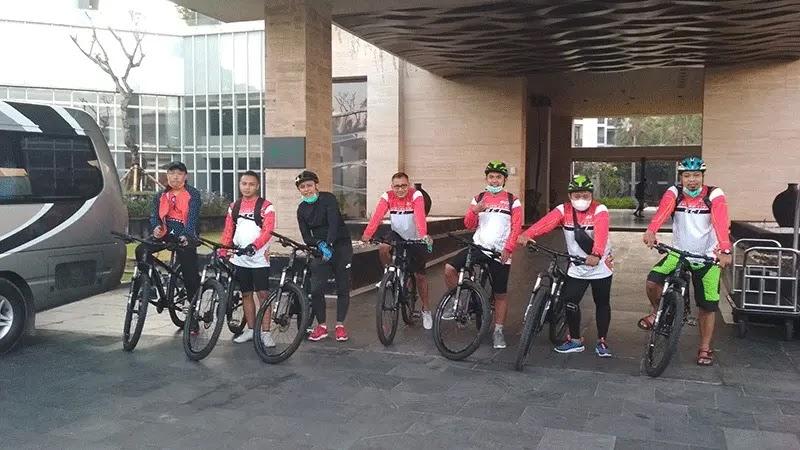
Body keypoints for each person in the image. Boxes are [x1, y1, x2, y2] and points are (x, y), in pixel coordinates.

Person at [639, 156, 732, 366]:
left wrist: (724, 248)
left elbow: (720, 220)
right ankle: (656, 312)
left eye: (696, 175)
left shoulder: (714, 194)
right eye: (687, 175)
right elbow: (662, 211)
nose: (692, 180)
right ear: (681, 177)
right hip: (679, 253)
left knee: (708, 306)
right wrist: (651, 230)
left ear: (702, 177)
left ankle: (705, 348)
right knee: (653, 281)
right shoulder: (675, 193)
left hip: (707, 257)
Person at [518, 175, 614, 357]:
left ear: (591, 195)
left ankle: (602, 341)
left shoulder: (599, 210)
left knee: (602, 302)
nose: (581, 199)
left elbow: (601, 232)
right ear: (570, 196)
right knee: (570, 301)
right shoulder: (563, 210)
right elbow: (545, 224)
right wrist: (528, 234)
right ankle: (575, 340)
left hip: (600, 265)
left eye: (585, 195)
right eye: (576, 195)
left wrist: (596, 253)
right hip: (577, 266)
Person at [444, 160, 522, 349]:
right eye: (491, 177)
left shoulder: (512, 200)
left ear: (504, 180)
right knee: (449, 269)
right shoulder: (478, 197)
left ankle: (498, 331)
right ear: (486, 178)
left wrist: (508, 249)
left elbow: (516, 227)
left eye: (498, 177)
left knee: (500, 294)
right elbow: (469, 225)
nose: (494, 180)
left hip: (500, 251)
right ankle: (459, 301)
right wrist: (474, 210)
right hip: (479, 246)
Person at [361, 172, 433, 329]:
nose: (400, 189)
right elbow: (377, 216)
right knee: (383, 247)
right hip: (397, 234)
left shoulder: (416, 195)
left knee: (420, 276)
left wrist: (422, 235)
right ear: (392, 186)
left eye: (404, 185)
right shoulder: (387, 197)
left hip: (415, 236)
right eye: (397, 186)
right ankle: (389, 273)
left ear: (408, 184)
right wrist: (367, 235)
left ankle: (426, 309)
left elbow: (420, 217)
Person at [295, 170, 353, 342]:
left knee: (342, 286)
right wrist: (319, 244)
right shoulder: (302, 209)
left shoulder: (328, 199)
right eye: (303, 187)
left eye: (309, 186)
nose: (307, 190)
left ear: (316, 185)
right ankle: (321, 326)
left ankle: (340, 325)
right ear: (299, 190)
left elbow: (334, 223)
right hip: (321, 249)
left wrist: (329, 243)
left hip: (341, 245)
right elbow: (306, 236)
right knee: (316, 288)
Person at [220, 171, 275, 346]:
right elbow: (228, 230)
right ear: (239, 184)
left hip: (259, 258)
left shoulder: (267, 206)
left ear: (257, 186)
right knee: (246, 294)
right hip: (239, 258)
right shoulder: (234, 206)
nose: (247, 187)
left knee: (263, 295)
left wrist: (254, 246)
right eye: (244, 183)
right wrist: (223, 249)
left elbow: (268, 231)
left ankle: (266, 332)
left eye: (251, 184)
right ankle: (251, 330)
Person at [136, 161, 202, 310]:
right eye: (172, 174)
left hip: (185, 235)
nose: (175, 177)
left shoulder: (193, 194)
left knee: (190, 275)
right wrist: (156, 227)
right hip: (165, 234)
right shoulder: (160, 195)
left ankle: (193, 313)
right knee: (141, 250)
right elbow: (154, 216)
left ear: (185, 176)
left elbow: (192, 218)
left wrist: (186, 235)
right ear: (167, 176)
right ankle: (149, 286)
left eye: (179, 174)